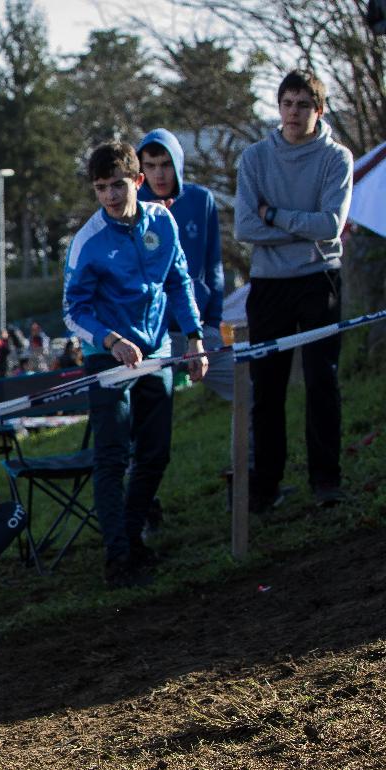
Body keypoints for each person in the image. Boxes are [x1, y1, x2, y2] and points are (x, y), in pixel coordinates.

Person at [63, 141, 207, 588]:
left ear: (138, 181)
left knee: (156, 452)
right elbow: (73, 310)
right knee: (111, 456)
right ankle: (118, 557)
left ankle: (131, 533)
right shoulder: (87, 241)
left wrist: (196, 338)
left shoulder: (162, 221)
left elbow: (179, 280)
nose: (109, 196)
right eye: (101, 188)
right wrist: (110, 339)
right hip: (108, 355)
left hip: (159, 349)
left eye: (118, 185)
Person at [233, 70, 353, 512]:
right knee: (268, 388)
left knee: (323, 381)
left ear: (318, 111)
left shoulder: (337, 158)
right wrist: (293, 224)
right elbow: (245, 226)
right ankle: (265, 486)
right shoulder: (254, 158)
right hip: (268, 284)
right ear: (278, 107)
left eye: (304, 105)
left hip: (319, 277)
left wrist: (274, 214)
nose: (295, 112)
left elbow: (330, 225)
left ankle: (327, 479)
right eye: (288, 103)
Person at [136, 129, 229, 399]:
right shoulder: (131, 206)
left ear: (177, 163)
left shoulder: (201, 200)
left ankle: (253, 443)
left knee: (248, 389)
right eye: (150, 166)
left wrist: (211, 323)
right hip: (150, 335)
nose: (159, 174)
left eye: (165, 164)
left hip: (198, 329)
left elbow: (214, 266)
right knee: (148, 412)